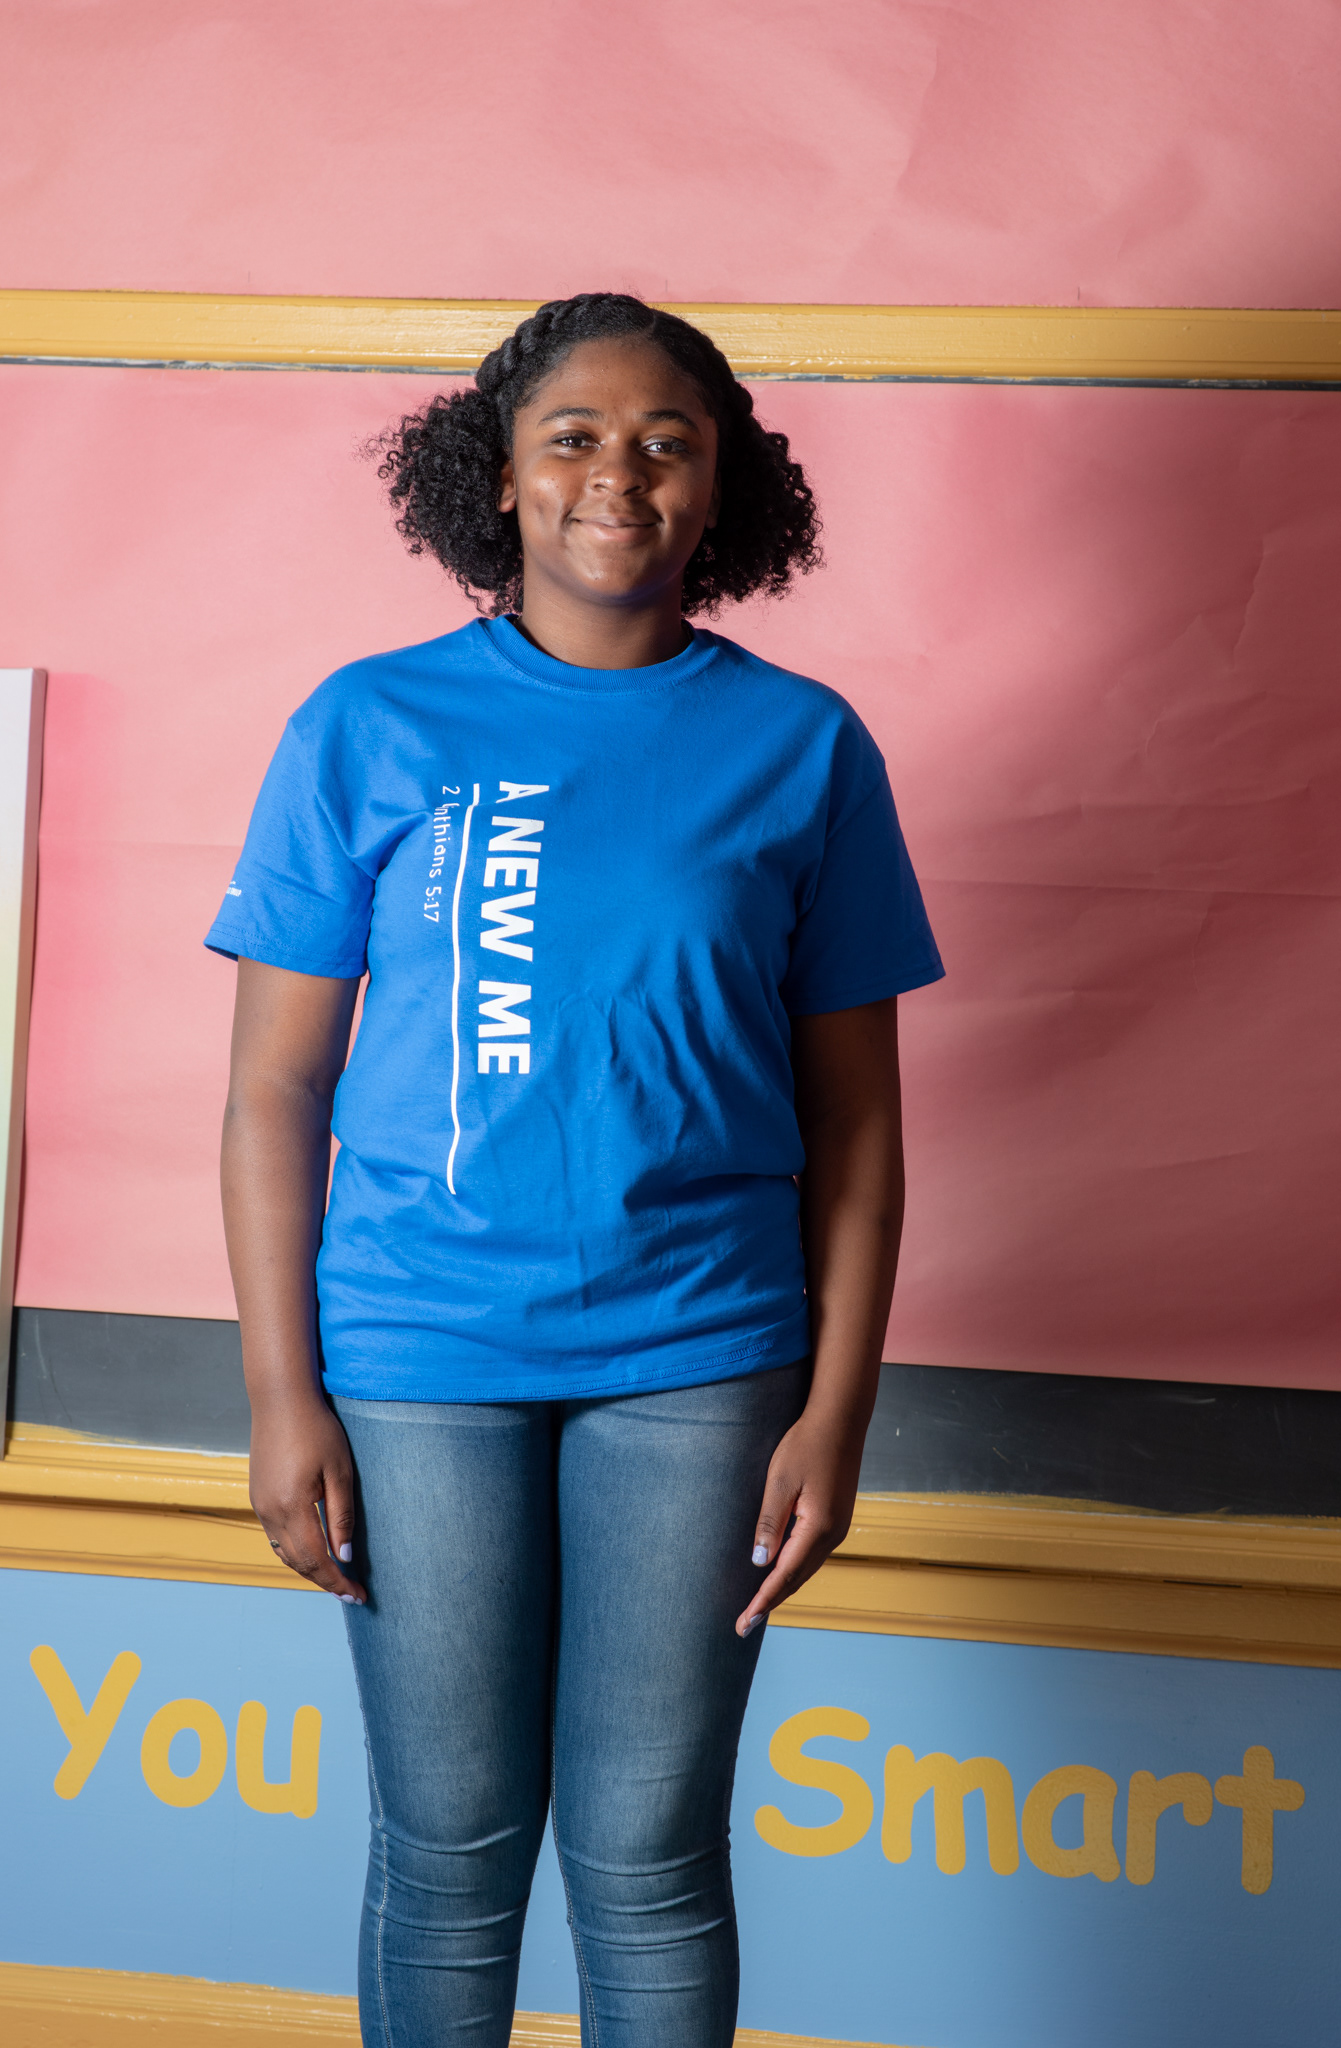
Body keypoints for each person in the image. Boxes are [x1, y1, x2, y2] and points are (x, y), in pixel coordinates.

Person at [209, 293, 942, 2048]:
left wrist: (838, 1413)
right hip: (418, 1356)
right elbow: (273, 1090)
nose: (621, 474)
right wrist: (279, 1394)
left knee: (650, 1857)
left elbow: (859, 1122)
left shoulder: (804, 746)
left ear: (722, 489)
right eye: (574, 437)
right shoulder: (369, 724)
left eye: (668, 443)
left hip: (703, 1357)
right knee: (450, 1855)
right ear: (498, 474)